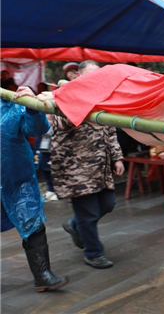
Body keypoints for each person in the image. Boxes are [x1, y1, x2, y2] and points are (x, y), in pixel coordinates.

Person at [51, 61, 125, 269]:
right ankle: (93, 253)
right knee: (88, 213)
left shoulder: (103, 99)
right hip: (77, 169)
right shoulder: (67, 94)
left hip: (101, 166)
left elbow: (111, 132)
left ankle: (75, 225)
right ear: (78, 76)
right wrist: (82, 99)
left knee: (108, 204)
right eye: (90, 75)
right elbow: (59, 123)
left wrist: (117, 158)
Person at [1, 86, 69, 292]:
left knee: (33, 224)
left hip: (17, 181)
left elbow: (37, 129)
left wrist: (32, 106)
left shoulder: (12, 103)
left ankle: (43, 276)